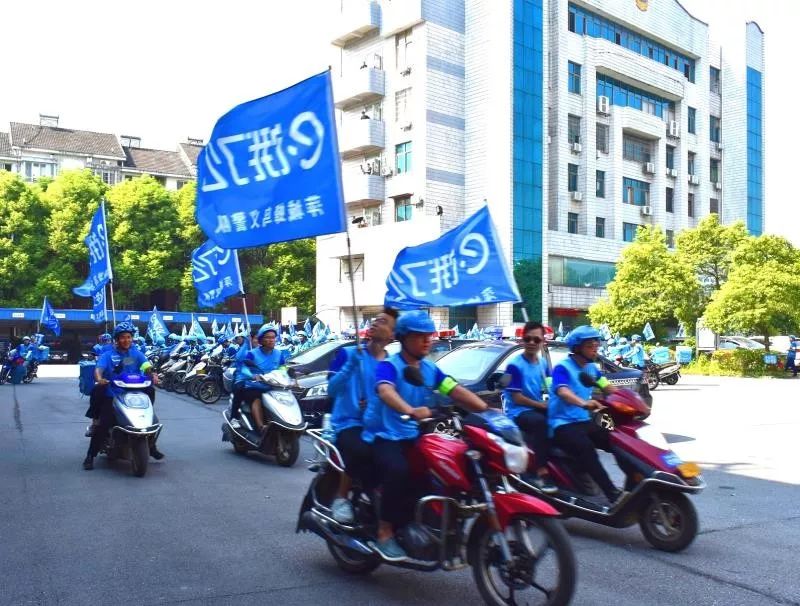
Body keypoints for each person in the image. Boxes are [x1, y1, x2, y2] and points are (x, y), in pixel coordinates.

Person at [362, 310, 489, 560]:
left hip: (415, 434)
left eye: (428, 335)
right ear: (404, 338)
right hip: (385, 434)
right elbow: (386, 392)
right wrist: (410, 410)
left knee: (445, 468)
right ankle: (384, 532)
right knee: (399, 470)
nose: (427, 340)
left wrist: (486, 410)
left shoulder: (431, 369)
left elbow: (454, 390)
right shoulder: (390, 366)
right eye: (420, 336)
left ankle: (429, 523)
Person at [327, 307, 398, 524]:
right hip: (348, 423)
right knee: (362, 449)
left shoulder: (391, 364)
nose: (376, 323)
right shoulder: (349, 354)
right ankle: (341, 498)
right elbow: (332, 390)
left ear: (393, 335)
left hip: (380, 424)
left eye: (383, 322)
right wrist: (350, 366)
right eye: (375, 320)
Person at [548, 325, 624, 505]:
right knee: (586, 448)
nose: (595, 349)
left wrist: (626, 400)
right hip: (563, 423)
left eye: (596, 345)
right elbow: (563, 392)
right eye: (590, 346)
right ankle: (612, 493)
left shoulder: (591, 368)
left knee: (619, 438)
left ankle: (635, 483)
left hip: (585, 419)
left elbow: (607, 387)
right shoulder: (562, 368)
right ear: (577, 348)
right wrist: (584, 403)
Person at [83, 323, 161, 470]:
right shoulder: (108, 355)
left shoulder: (135, 353)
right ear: (117, 339)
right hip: (113, 393)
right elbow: (99, 369)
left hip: (135, 392)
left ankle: (151, 446)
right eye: (123, 338)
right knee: (104, 423)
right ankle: (90, 456)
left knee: (150, 416)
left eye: (129, 337)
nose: (126, 340)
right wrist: (99, 378)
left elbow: (146, 366)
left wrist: (153, 374)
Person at [502, 321, 557, 493]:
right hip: (519, 412)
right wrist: (541, 405)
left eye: (536, 339)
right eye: (528, 339)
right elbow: (517, 398)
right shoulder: (515, 366)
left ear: (542, 342)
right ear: (522, 340)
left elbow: (551, 387)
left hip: (536, 407)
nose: (532, 343)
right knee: (540, 423)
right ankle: (541, 471)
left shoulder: (543, 364)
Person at [232, 325, 291, 432]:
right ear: (261, 340)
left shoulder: (279, 354)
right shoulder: (252, 354)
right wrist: (253, 375)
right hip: (255, 384)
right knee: (257, 397)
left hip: (272, 384)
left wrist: (285, 374)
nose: (271, 340)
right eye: (268, 337)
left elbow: (283, 367)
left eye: (273, 337)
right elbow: (244, 367)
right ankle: (260, 427)